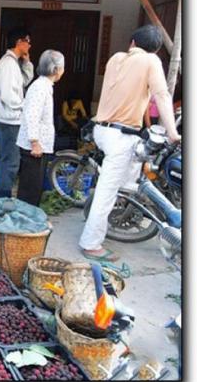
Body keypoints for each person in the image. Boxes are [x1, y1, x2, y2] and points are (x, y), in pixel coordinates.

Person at [79, 25, 181, 262]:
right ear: (155, 50)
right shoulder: (151, 61)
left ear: (133, 43)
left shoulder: (116, 58)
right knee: (107, 191)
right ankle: (91, 243)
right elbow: (162, 95)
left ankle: (135, 215)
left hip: (102, 130)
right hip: (121, 137)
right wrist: (173, 133)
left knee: (129, 181)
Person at [16, 50, 65, 206]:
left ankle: (27, 221)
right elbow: (32, 115)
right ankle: (24, 223)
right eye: (62, 67)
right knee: (30, 189)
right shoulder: (40, 88)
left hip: (39, 146)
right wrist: (35, 142)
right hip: (34, 147)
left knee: (34, 187)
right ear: (56, 69)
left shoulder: (45, 86)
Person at [0, 27, 34, 199]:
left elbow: (23, 82)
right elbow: (9, 96)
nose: (30, 45)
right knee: (11, 161)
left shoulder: (13, 62)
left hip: (8, 119)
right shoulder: (8, 64)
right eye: (28, 42)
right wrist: (25, 106)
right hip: (10, 120)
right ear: (19, 42)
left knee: (4, 157)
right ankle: (3, 197)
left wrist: (27, 63)